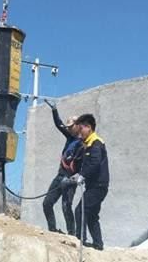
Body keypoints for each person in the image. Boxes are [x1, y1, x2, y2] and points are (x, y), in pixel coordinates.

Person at [42, 102, 84, 234]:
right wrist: (54, 110)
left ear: (78, 126)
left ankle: (72, 234)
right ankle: (53, 230)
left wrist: (76, 178)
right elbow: (59, 124)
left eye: (71, 126)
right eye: (68, 127)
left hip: (70, 178)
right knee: (47, 203)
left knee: (66, 206)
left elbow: (84, 164)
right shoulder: (70, 137)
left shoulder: (83, 143)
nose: (69, 129)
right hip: (60, 175)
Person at [69, 113, 109, 250]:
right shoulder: (89, 143)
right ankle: (98, 245)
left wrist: (82, 175)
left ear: (88, 127)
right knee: (92, 216)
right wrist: (78, 174)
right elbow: (90, 164)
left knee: (80, 211)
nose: (80, 133)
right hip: (96, 186)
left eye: (81, 129)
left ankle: (81, 243)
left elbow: (95, 163)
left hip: (97, 187)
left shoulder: (95, 143)